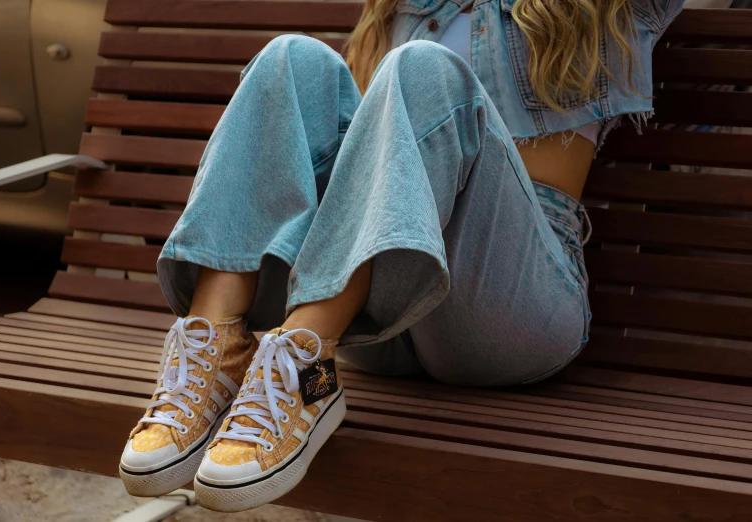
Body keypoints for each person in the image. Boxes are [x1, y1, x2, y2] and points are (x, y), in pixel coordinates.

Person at [118, 0, 686, 512]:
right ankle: (216, 344)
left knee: (423, 66)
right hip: (380, 312)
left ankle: (303, 360)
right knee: (290, 58)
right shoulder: (407, 4)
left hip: (511, 306)